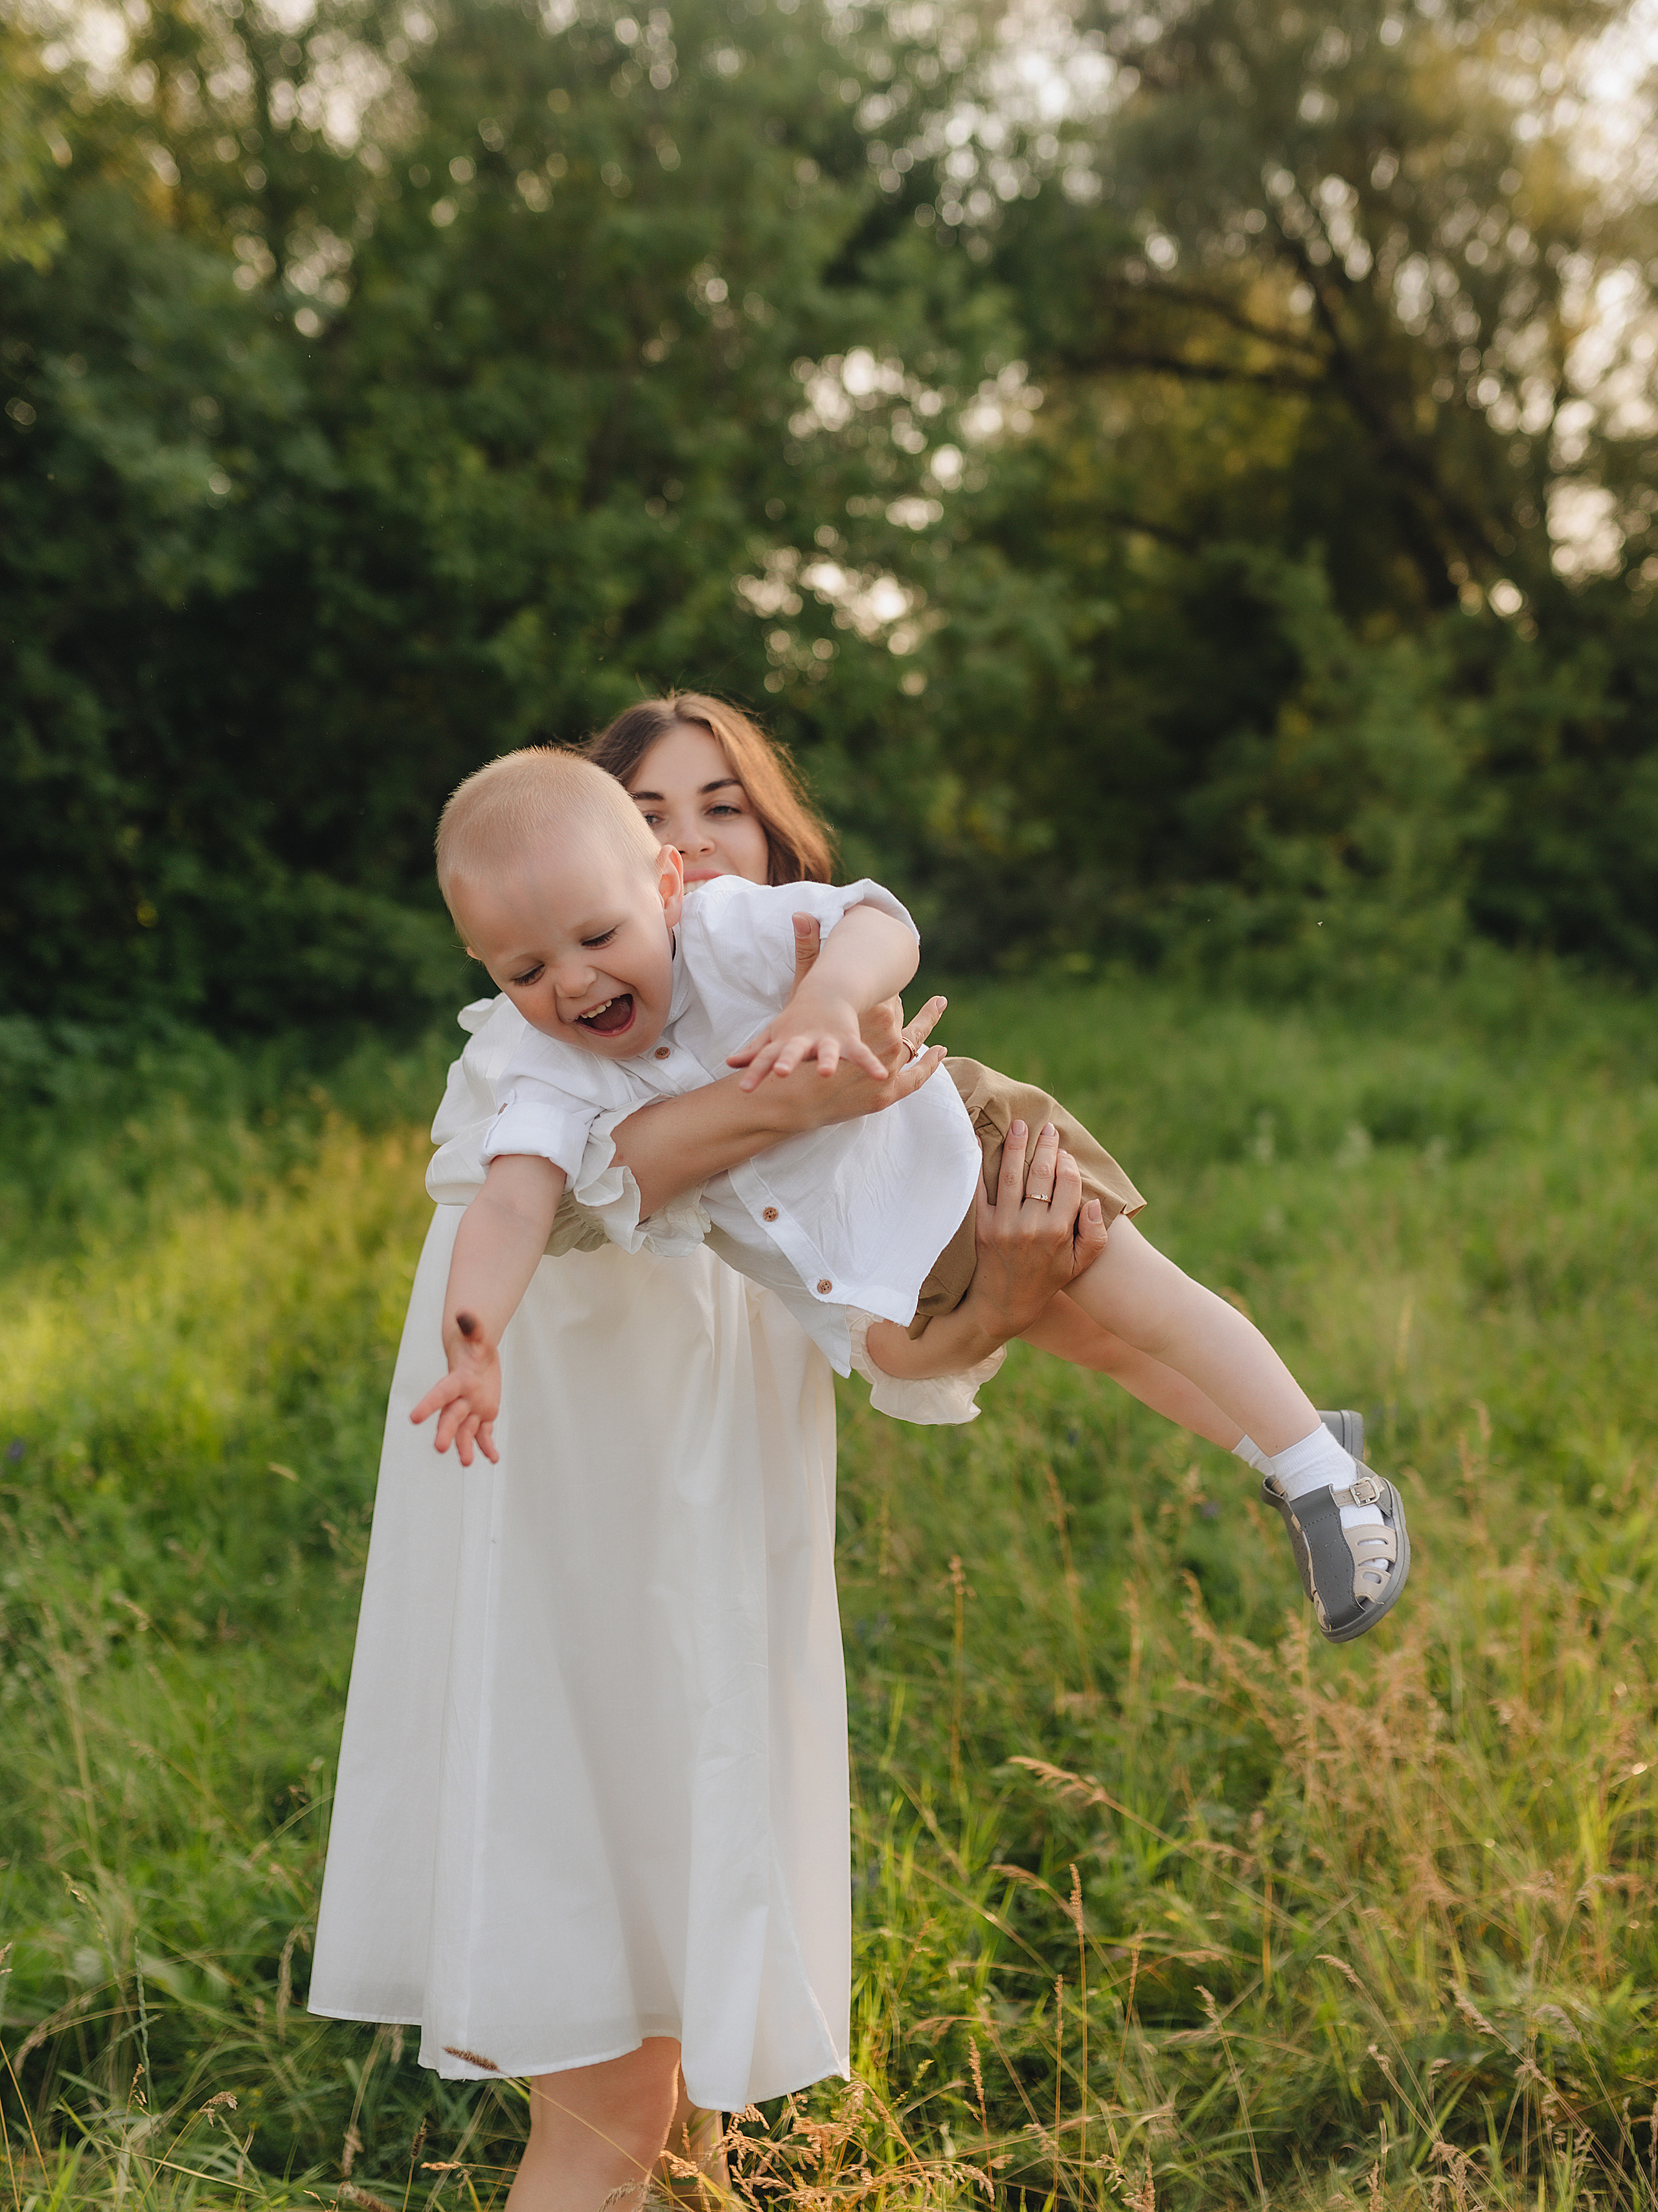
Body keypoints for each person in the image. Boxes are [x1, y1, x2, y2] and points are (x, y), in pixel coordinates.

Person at [308, 743, 1082, 2212]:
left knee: (666, 2076)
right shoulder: (546, 1089)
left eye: (717, 808)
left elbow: (877, 1350)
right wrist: (816, 1089)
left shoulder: (772, 1088)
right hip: (569, 1632)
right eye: (649, 804)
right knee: (606, 2102)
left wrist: (993, 1301)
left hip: (696, 1630)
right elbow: (594, 1179)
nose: (688, 835)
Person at [416, 740, 1409, 1655]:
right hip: (875, 1270)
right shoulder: (548, 1068)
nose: (577, 980)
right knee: (1115, 1348)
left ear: (664, 884)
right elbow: (511, 1202)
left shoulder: (725, 928)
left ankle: (1329, 1479)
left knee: (1146, 1308)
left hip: (963, 1152)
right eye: (529, 969)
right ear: (486, 967)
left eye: (598, 934)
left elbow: (879, 920)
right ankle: (1297, 1446)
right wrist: (474, 1335)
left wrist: (827, 999)